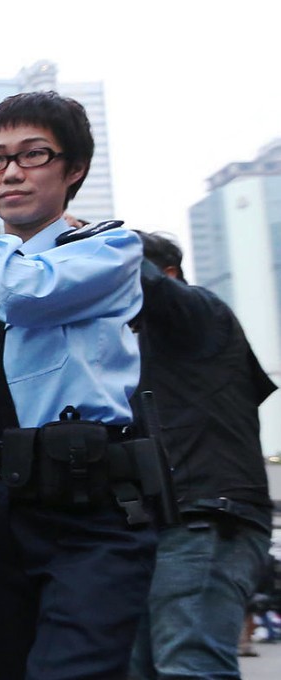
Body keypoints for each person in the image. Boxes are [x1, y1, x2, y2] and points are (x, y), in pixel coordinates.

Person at [0, 91, 158, 679]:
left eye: (33, 154)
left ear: (75, 169)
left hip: (86, 503)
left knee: (74, 669)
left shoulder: (108, 249)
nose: (10, 172)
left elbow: (24, 291)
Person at [128, 231, 275, 680]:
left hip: (206, 516)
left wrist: (99, 239)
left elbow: (150, 285)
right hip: (164, 523)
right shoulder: (134, 347)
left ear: (169, 274)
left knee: (190, 666)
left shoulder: (202, 313)